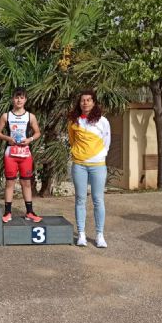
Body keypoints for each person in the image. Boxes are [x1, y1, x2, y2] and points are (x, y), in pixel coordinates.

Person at [68, 90, 111, 248]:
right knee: (80, 199)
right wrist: (79, 154)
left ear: (94, 103)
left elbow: (107, 141)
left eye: (88, 100)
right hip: (79, 165)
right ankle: (81, 234)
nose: (85, 103)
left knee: (98, 199)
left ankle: (99, 235)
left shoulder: (103, 121)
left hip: (98, 165)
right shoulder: (74, 121)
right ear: (79, 103)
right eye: (82, 100)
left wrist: (99, 156)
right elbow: (72, 140)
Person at [0, 87, 42, 223]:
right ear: (12, 99)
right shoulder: (6, 116)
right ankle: (7, 212)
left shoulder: (30, 116)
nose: (19, 100)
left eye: (22, 98)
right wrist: (8, 138)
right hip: (11, 153)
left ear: (25, 100)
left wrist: (30, 139)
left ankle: (30, 212)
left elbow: (37, 132)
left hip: (25, 153)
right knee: (10, 182)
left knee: (26, 182)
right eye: (16, 97)